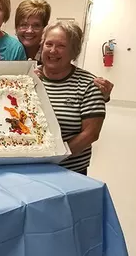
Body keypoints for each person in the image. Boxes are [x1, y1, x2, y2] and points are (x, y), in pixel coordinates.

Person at [38, 20, 105, 175]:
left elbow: (91, 133)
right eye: (49, 44)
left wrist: (57, 156)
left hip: (70, 171)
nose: (53, 51)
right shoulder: (28, 77)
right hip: (30, 169)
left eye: (61, 46)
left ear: (74, 51)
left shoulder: (89, 84)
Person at [15, 0, 114, 100]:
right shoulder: (10, 53)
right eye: (23, 25)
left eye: (36, 25)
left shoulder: (52, 58)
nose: (29, 30)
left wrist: (99, 92)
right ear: (16, 28)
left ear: (44, 28)